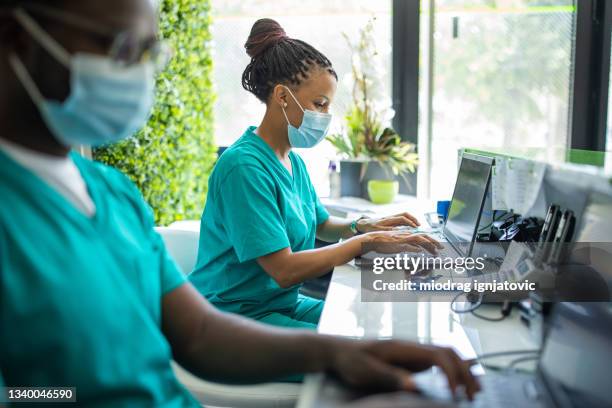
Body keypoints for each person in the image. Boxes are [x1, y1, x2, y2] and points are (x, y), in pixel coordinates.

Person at [0, 0, 479, 405]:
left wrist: (338, 350)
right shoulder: (243, 166)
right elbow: (31, 391)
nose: (140, 75)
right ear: (17, 37)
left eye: (151, 55)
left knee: (380, 342)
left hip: (261, 317)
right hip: (252, 307)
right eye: (124, 49)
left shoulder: (112, 193)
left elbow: (199, 335)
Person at [190, 18, 440, 329]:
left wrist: (362, 226)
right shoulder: (243, 167)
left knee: (368, 329)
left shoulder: (292, 161)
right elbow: (283, 269)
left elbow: (320, 224)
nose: (324, 116)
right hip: (231, 319)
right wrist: (366, 242)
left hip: (279, 304)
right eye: (319, 104)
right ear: (282, 97)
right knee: (357, 355)